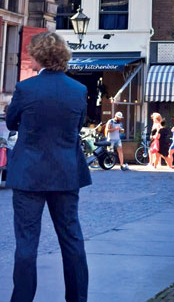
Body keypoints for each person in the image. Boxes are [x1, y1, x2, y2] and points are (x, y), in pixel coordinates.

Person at [6, 31, 91, 302]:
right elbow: (77, 127)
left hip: (29, 173)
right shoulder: (78, 90)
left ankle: (21, 298)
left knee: (27, 242)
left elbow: (10, 122)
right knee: (71, 238)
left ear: (37, 55)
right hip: (66, 172)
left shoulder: (26, 88)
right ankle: (77, 298)